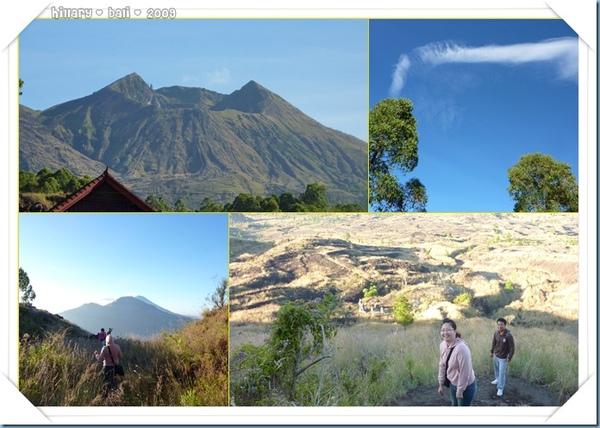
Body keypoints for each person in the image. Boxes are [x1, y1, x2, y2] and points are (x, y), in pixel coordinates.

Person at [437, 318, 477, 406]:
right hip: (453, 384)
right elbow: (442, 365)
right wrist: (441, 384)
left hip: (466, 386)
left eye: (448, 330)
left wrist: (460, 390)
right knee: (454, 405)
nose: (445, 332)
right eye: (443, 330)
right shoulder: (443, 345)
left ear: (455, 331)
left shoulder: (462, 348)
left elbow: (465, 372)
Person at [490, 317, 516, 397]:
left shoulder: (508, 335)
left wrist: (509, 356)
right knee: (496, 369)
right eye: (498, 324)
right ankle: (497, 379)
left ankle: (500, 388)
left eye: (501, 324)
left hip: (503, 358)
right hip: (496, 355)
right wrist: (492, 351)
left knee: (502, 373)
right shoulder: (496, 333)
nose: (500, 326)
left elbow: (512, 347)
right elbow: (494, 343)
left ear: (505, 325)